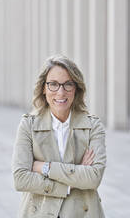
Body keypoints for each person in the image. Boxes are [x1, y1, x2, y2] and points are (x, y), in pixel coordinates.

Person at [12, 54, 106, 218]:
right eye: (53, 84)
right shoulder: (28, 125)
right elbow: (21, 178)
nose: (61, 92)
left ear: (75, 88)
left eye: (67, 84)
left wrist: (44, 167)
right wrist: (72, 182)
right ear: (44, 88)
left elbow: (93, 178)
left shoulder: (93, 126)